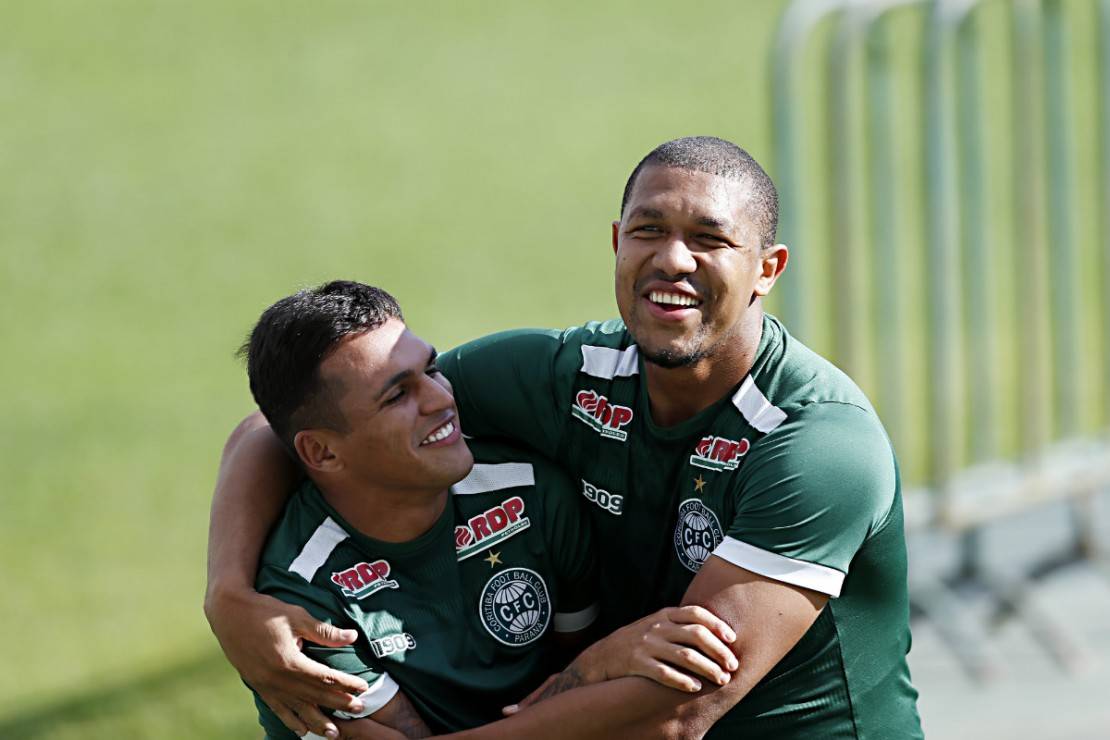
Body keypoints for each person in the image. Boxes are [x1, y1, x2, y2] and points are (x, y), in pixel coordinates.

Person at [206, 137, 923, 739]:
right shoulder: (563, 375)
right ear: (616, 242)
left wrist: (587, 668)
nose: (673, 259)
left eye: (709, 239)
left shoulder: (821, 443)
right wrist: (230, 599)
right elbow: (293, 423)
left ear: (768, 268)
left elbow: (676, 711)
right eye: (648, 230)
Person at [225, 280, 738, 739]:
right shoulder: (299, 607)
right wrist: (597, 670)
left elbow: (575, 659)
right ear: (321, 452)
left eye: (431, 369)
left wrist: (592, 666)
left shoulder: (533, 493)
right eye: (397, 396)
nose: (440, 399)